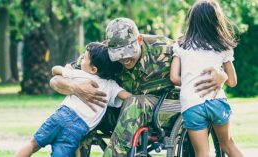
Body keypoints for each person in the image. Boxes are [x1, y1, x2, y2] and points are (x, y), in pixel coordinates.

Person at [50, 17, 229, 156]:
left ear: (140, 39)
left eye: (129, 52)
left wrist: (221, 75)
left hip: (165, 107)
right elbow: (56, 80)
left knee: (135, 103)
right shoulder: (101, 56)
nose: (125, 59)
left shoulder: (164, 49)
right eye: (118, 55)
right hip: (122, 111)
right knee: (81, 115)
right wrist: (77, 88)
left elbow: (200, 64)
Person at [14, 42, 131, 157]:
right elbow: (127, 97)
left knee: (33, 144)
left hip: (61, 116)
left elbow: (55, 70)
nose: (80, 60)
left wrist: (67, 70)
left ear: (93, 69)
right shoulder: (111, 86)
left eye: (84, 58)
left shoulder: (79, 74)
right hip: (78, 130)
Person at [170, 1, 243, 157]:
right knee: (229, 146)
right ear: (217, 21)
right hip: (217, 103)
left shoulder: (181, 45)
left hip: (192, 105)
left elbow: (174, 78)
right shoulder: (223, 46)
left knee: (202, 153)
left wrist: (191, 81)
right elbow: (232, 81)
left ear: (192, 20)